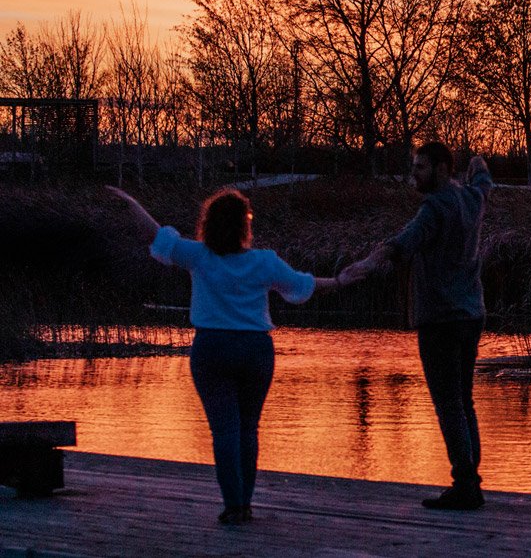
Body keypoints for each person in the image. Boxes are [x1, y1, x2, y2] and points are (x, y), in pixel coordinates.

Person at [107, 186, 351, 524]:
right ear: (243, 226)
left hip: (213, 348)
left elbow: (158, 236)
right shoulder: (264, 261)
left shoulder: (199, 256)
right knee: (248, 429)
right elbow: (301, 286)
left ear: (209, 224)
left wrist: (131, 203)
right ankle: (245, 504)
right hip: (255, 350)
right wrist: (340, 280)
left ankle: (233, 505)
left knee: (224, 431)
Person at [340, 142, 493, 510]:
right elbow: (484, 179)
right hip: (471, 314)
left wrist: (364, 265)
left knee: (448, 404)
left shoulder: (433, 208)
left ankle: (465, 483)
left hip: (440, 318)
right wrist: (478, 164)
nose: (414, 175)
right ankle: (471, 479)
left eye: (420, 168)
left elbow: (401, 243)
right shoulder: (472, 198)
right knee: (464, 400)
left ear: (441, 169)